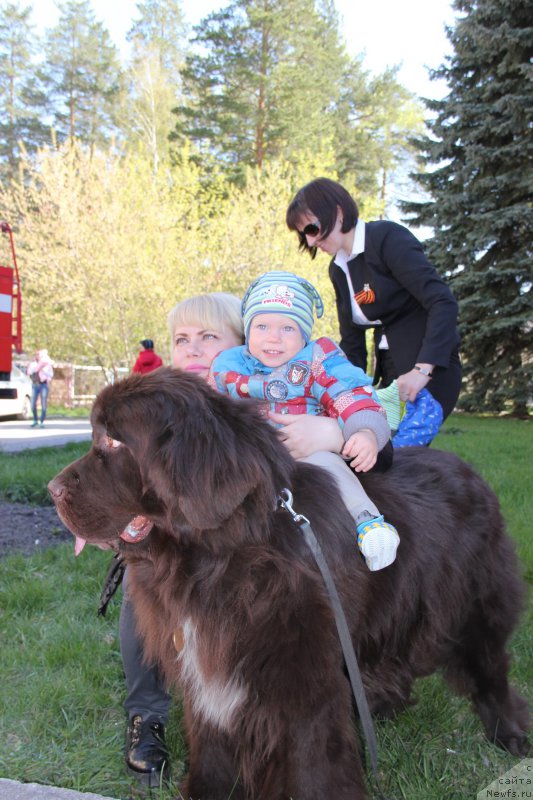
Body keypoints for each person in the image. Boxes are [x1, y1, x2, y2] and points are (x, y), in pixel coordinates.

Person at [119, 293, 244, 788]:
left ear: (240, 344)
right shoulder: (154, 409)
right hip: (171, 542)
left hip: (244, 548)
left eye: (209, 337)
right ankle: (146, 715)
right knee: (143, 579)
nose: (192, 349)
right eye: (182, 339)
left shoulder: (257, 398)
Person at [210, 270, 400, 573]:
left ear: (304, 335)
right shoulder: (230, 367)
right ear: (247, 331)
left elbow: (349, 392)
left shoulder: (317, 362)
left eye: (288, 327)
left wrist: (364, 430)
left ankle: (368, 522)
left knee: (330, 467)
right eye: (262, 326)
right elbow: (211, 413)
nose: (273, 337)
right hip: (250, 457)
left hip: (308, 450)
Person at [286, 177, 462, 446]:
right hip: (390, 376)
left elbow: (442, 301)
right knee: (371, 454)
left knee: (402, 456)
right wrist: (340, 390)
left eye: (312, 228)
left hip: (428, 374)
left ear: (338, 212)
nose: (310, 241)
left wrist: (422, 370)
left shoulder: (387, 238)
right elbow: (352, 342)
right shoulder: (338, 270)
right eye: (303, 234)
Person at [27, 349, 54, 428]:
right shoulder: (33, 364)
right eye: (36, 355)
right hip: (35, 385)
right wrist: (38, 368)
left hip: (43, 385)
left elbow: (51, 374)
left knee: (43, 403)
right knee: (32, 404)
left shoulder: (47, 364)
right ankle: (35, 420)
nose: (38, 356)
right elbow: (30, 372)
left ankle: (41, 421)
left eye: (39, 355)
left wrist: (43, 371)